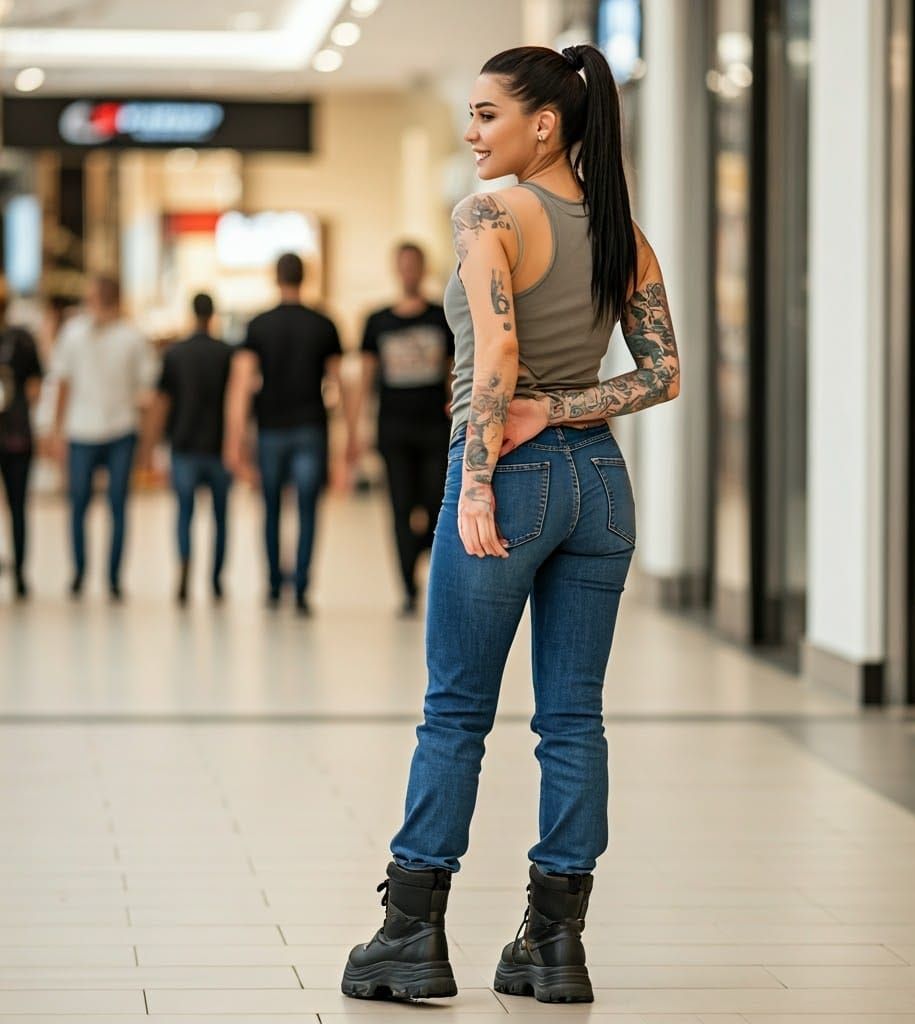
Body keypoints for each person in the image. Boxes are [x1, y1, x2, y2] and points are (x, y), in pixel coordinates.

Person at [342, 44, 679, 1004]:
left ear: (546, 123)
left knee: (455, 711)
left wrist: (481, 479)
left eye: (487, 113)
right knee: (573, 719)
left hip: (507, 475)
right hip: (601, 488)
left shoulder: (489, 212)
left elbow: (496, 352)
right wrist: (566, 410)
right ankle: (554, 943)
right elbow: (662, 374)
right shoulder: (623, 232)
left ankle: (410, 934)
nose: (471, 130)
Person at [223, 253, 344, 616]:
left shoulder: (258, 325)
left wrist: (236, 437)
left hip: (271, 430)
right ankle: (303, 586)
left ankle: (275, 584)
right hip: (310, 427)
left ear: (275, 278)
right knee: (308, 509)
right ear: (304, 277)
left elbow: (241, 385)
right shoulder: (324, 324)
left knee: (272, 507)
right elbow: (339, 385)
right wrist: (346, 436)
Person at [352, 243, 455, 615]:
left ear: (422, 268)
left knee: (433, 502)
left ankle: (426, 560)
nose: (409, 270)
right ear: (396, 269)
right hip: (393, 429)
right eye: (404, 265)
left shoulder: (439, 316)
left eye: (415, 264)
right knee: (398, 506)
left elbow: (452, 371)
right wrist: (356, 428)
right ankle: (408, 586)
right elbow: (364, 377)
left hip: (433, 428)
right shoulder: (377, 321)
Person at [48, 275, 156, 601]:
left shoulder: (133, 339)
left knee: (118, 506)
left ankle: (112, 577)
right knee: (78, 503)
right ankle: (80, 572)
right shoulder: (73, 334)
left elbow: (147, 392)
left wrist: (146, 442)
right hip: (81, 429)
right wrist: (56, 430)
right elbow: (63, 385)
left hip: (121, 430)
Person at [143, 293, 234, 605]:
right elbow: (236, 404)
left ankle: (184, 567)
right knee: (221, 518)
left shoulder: (175, 354)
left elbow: (161, 403)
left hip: (183, 445)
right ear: (213, 315)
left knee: (184, 514)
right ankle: (216, 578)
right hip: (218, 446)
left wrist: (150, 445)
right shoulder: (227, 353)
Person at [0, 276, 43, 600]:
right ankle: (19, 573)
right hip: (17, 433)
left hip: (16, 435)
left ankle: (19, 572)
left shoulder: (22, 340)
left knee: (17, 506)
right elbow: (34, 390)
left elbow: (34, 388)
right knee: (18, 506)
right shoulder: (22, 339)